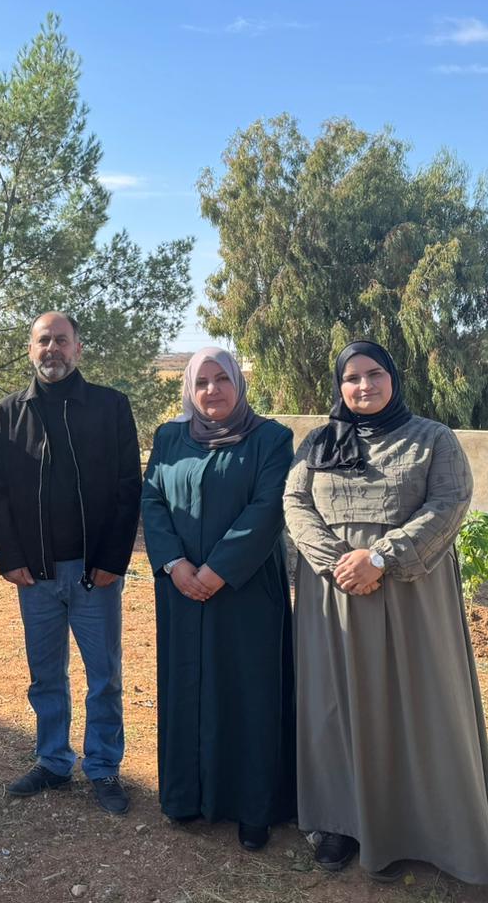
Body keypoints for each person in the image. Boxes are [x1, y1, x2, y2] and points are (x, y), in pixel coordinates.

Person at [284, 340, 488, 884]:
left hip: (410, 594)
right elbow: (295, 502)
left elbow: (449, 503)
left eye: (374, 374)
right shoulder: (319, 443)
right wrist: (337, 562)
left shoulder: (433, 438)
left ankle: (423, 831)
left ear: (393, 378)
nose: (364, 386)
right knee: (336, 705)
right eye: (352, 378)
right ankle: (341, 823)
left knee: (418, 707)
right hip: (334, 595)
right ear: (339, 386)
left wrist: (381, 557)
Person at [0, 312, 141, 814]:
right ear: (31, 348)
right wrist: (10, 557)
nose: (52, 349)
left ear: (78, 348)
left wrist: (113, 559)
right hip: (36, 574)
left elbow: (128, 487)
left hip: (95, 572)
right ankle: (53, 761)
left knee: (104, 676)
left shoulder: (110, 407)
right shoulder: (9, 412)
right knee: (45, 675)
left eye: (61, 340)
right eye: (43, 340)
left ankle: (103, 766)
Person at [140, 347, 295, 848]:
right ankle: (185, 796)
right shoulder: (169, 438)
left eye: (222, 379)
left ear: (238, 383)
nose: (212, 390)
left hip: (246, 592)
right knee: (187, 686)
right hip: (181, 589)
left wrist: (219, 570)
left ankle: (253, 808)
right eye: (202, 381)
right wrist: (174, 563)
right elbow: (152, 499)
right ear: (190, 388)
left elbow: (269, 507)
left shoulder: (271, 438)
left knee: (248, 691)